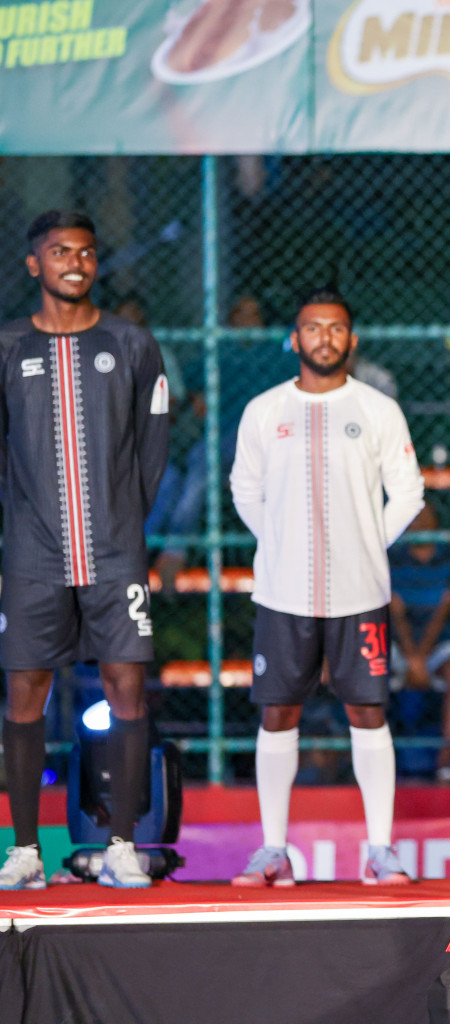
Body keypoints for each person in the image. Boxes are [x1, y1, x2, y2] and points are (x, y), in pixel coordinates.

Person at [228, 288, 425, 886]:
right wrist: (280, 543)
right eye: (312, 327)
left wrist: (366, 543)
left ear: (352, 339)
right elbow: (245, 489)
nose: (324, 337)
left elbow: (410, 492)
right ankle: (272, 852)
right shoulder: (265, 410)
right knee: (277, 712)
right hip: (281, 595)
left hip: (359, 592)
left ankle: (381, 852)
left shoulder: (377, 409)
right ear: (294, 338)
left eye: (335, 327)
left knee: (368, 712)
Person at [0, 210, 170, 890]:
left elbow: (152, 450)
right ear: (33, 264)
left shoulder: (132, 343)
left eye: (87, 252)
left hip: (114, 552)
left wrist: (127, 524)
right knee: (23, 695)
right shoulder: (8, 346)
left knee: (127, 688)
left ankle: (123, 845)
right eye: (60, 251)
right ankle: (24, 851)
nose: (75, 261)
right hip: (33, 556)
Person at [388, 502, 450, 782]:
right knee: (367, 672)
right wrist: (412, 657)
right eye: (414, 518)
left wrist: (421, 658)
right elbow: (395, 613)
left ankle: (444, 761)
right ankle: (380, 761)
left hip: (437, 643)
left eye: (426, 516)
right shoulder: (393, 558)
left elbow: (443, 611)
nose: (420, 523)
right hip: (400, 643)